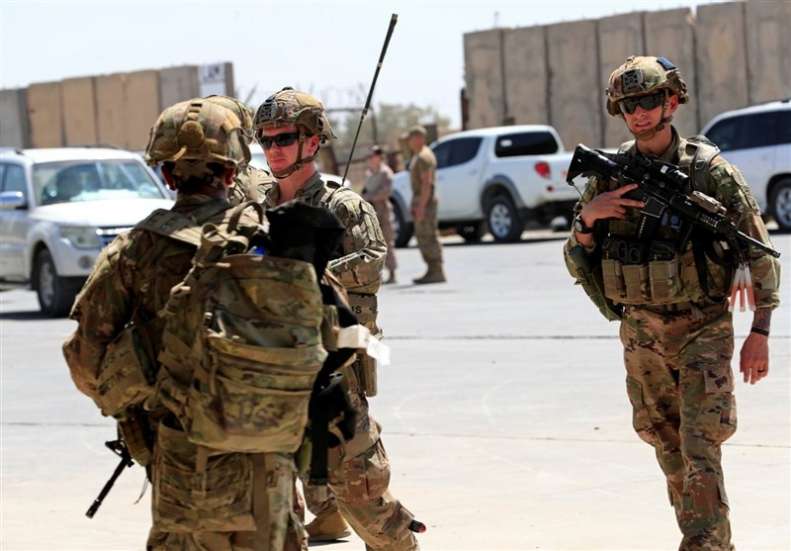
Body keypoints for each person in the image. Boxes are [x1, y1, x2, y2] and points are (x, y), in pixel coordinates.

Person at [62, 98, 316, 551]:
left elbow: (87, 363)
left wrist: (141, 395)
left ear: (167, 174)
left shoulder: (135, 250)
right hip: (272, 463)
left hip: (185, 467)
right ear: (232, 172)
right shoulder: (276, 237)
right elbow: (334, 342)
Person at [563, 56, 781, 550]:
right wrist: (589, 218)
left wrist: (760, 332)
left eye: (648, 101)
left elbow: (759, 254)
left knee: (700, 448)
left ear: (672, 101)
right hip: (641, 336)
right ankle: (708, 541)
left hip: (703, 329)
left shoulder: (711, 173)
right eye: (628, 106)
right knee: (668, 449)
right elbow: (576, 259)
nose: (638, 113)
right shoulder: (610, 174)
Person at [254, 87, 420, 551]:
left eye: (284, 138)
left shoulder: (341, 205)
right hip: (269, 369)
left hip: (330, 370)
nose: (273, 149)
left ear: (312, 141)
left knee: (361, 492)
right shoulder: (258, 207)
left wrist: (309, 272)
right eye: (266, 140)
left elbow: (372, 262)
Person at [406, 126, 445, 284]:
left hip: (425, 202)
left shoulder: (424, 156)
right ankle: (432, 269)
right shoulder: (419, 155)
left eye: (411, 138)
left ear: (419, 139)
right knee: (423, 235)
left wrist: (421, 207)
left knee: (428, 235)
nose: (409, 142)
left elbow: (426, 183)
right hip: (422, 200)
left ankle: (436, 270)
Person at [363, 145, 397, 284]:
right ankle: (377, 274)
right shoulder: (369, 173)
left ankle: (392, 272)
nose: (370, 159)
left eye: (373, 156)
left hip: (383, 210)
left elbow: (386, 191)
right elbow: (365, 190)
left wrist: (370, 197)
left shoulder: (385, 172)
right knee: (372, 242)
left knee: (387, 240)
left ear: (379, 157)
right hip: (371, 210)